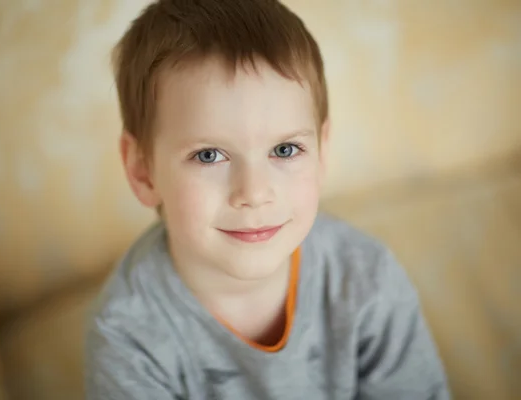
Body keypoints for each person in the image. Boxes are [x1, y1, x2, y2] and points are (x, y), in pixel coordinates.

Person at [85, 0, 450, 398]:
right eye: (209, 155)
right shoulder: (128, 337)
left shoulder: (366, 281)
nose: (254, 194)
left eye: (285, 150)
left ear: (322, 152)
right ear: (142, 170)